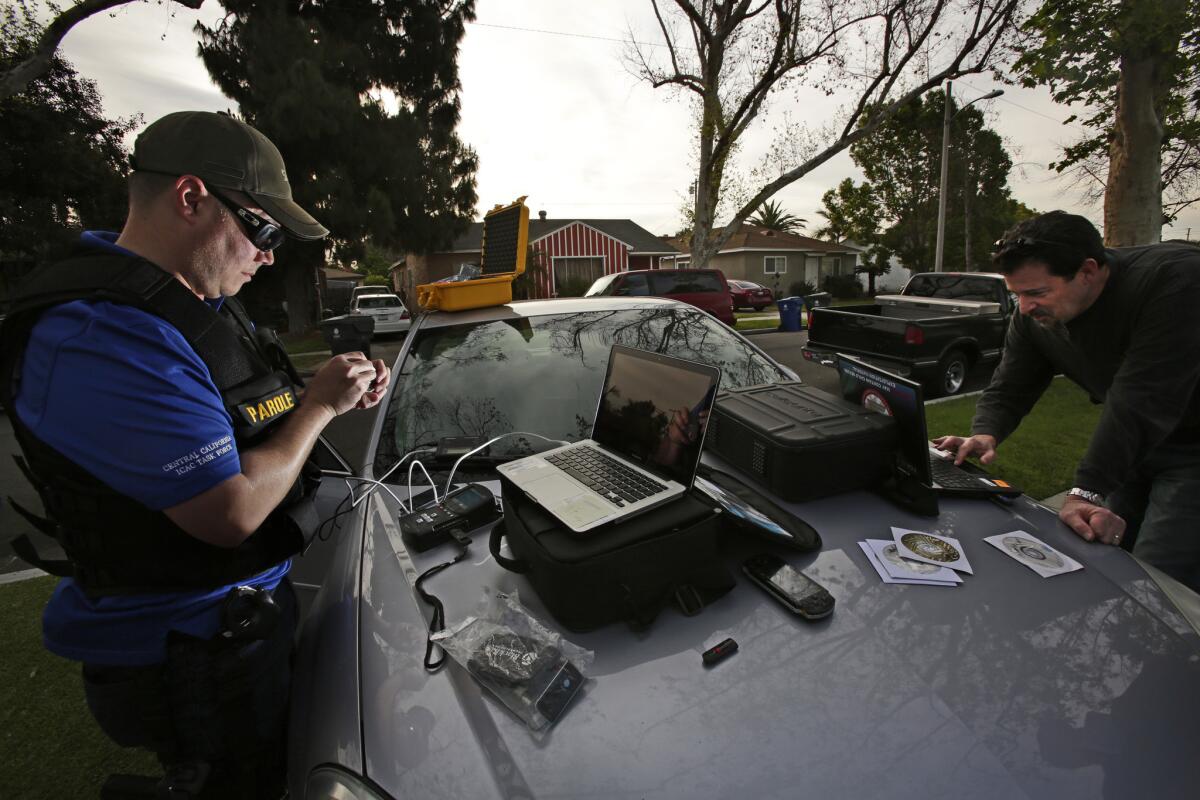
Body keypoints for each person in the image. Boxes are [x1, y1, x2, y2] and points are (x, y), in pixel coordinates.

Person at [0, 111, 391, 797]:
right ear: (190, 198)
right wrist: (321, 408)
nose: (269, 255)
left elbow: (249, 415)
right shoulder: (100, 333)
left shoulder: (181, 305)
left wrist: (333, 390)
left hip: (237, 619)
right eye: (262, 229)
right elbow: (229, 510)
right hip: (188, 654)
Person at [933, 211, 1200, 593]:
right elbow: (1012, 383)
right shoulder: (1033, 316)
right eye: (1017, 294)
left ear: (1088, 271)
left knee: (1163, 579)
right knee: (1112, 555)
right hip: (1136, 447)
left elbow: (1142, 397)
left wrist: (1085, 491)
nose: (1024, 307)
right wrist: (986, 432)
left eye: (1037, 293)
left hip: (1192, 448)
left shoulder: (1176, 281)